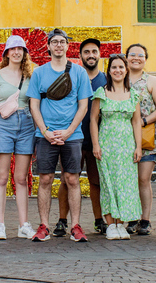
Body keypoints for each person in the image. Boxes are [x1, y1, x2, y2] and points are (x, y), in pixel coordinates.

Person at [26, 29, 93, 242]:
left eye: (62, 42)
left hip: (72, 135)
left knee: (72, 179)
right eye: (54, 42)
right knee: (45, 179)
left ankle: (75, 226)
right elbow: (34, 105)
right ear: (48, 46)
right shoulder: (39, 73)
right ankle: (44, 225)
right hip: (45, 135)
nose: (58, 45)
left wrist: (69, 131)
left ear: (67, 45)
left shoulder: (79, 72)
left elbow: (83, 106)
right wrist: (45, 131)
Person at [53, 38, 107, 236]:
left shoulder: (107, 80)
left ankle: (99, 220)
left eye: (94, 51)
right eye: (86, 52)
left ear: (99, 54)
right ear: (80, 55)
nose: (91, 55)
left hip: (97, 140)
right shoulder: (72, 76)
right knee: (67, 180)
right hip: (73, 137)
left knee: (96, 182)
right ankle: (62, 220)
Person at [0, 35, 35, 240]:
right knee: (2, 177)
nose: (16, 52)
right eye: (12, 49)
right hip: (4, 125)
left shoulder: (31, 75)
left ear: (24, 53)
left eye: (20, 49)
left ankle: (23, 224)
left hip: (27, 124)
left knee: (21, 179)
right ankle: (0, 225)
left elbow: (35, 104)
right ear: (6, 53)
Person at [91, 54, 142, 240]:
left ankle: (121, 223)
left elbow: (136, 122)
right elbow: (93, 119)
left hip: (127, 146)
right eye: (114, 67)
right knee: (108, 184)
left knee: (125, 185)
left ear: (126, 70)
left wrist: (138, 146)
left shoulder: (133, 94)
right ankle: (110, 224)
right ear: (109, 71)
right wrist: (96, 144)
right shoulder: (101, 93)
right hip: (107, 145)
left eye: (121, 67)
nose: (118, 70)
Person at [124, 43, 156, 235]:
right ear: (126, 58)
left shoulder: (152, 81)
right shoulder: (120, 79)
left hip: (147, 136)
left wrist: (144, 121)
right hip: (124, 137)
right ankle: (132, 217)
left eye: (140, 55)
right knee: (129, 180)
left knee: (143, 179)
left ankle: (145, 219)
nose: (136, 58)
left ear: (145, 59)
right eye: (132, 54)